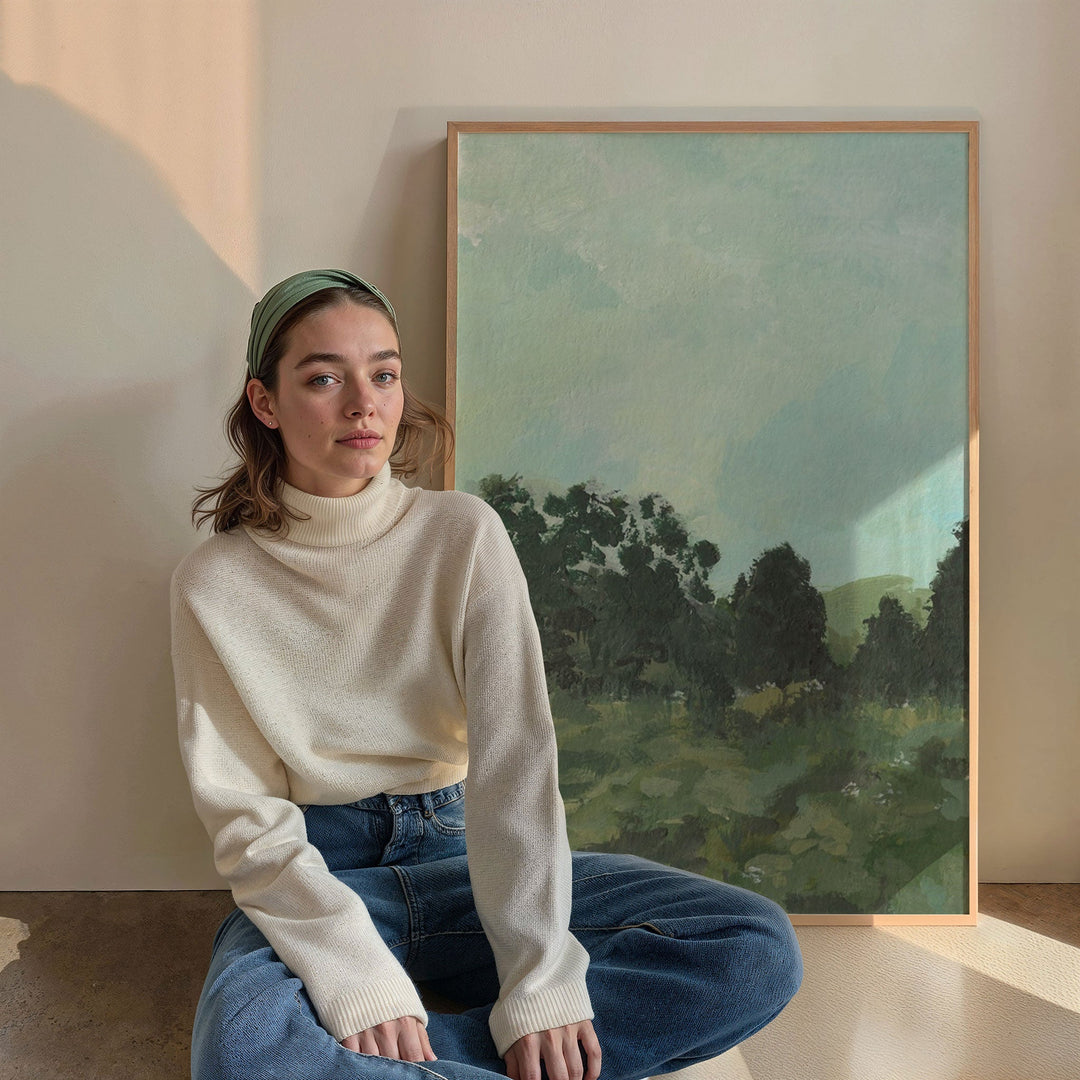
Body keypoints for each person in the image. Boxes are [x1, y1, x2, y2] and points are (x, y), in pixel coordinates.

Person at [171, 269, 802, 1080]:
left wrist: (540, 979)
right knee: (241, 1053)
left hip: (467, 858)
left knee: (753, 949)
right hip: (320, 878)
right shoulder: (214, 582)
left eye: (385, 374)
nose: (365, 404)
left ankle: (424, 1061)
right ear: (265, 402)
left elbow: (516, 762)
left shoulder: (461, 534)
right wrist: (356, 977)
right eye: (325, 377)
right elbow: (245, 814)